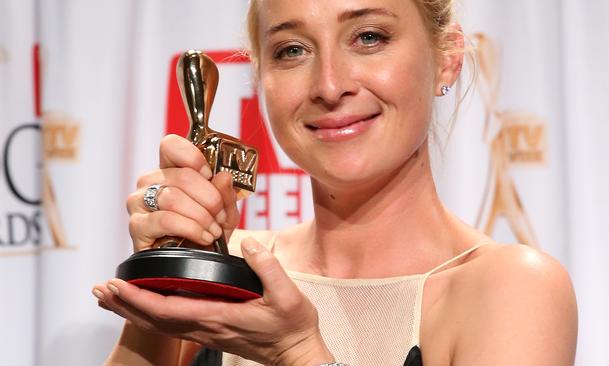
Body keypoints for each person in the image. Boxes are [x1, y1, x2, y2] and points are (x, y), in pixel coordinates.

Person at [92, 0, 578, 365]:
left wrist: (298, 351)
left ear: (446, 57)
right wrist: (161, 291)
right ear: (261, 79)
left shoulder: (508, 286)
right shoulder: (228, 267)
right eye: (292, 50)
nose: (329, 85)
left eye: (368, 37)